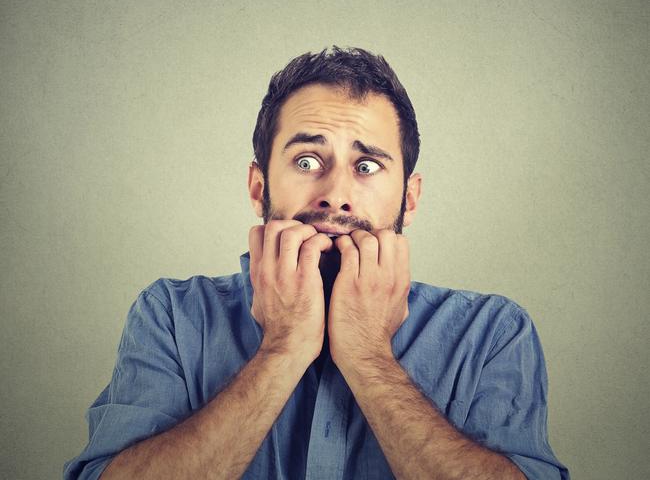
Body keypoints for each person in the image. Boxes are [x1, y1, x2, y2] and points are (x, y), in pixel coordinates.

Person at [64, 46, 569, 479]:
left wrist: (368, 355)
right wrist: (282, 349)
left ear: (409, 199)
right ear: (259, 186)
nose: (336, 196)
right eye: (307, 161)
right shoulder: (171, 316)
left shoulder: (493, 332)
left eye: (366, 166)